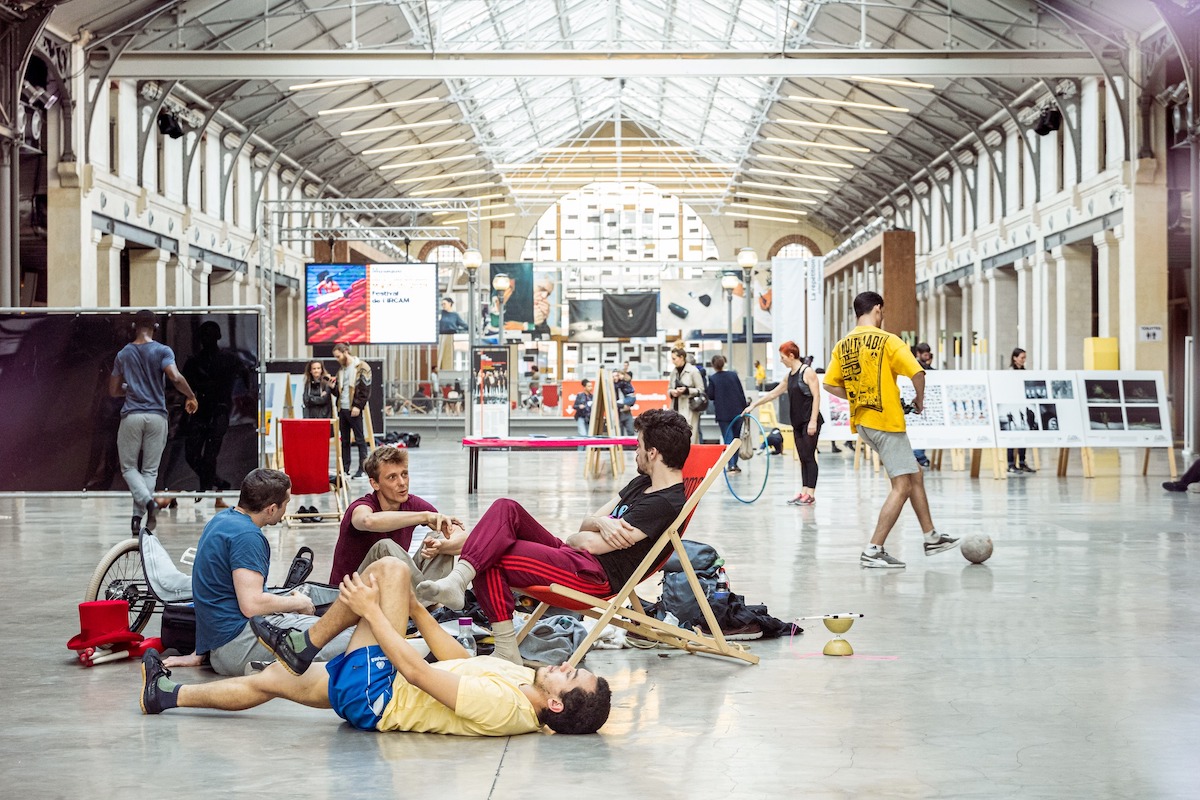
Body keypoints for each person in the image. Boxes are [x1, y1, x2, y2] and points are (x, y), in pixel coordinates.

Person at [140, 557, 612, 736]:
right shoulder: (522, 682)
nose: (567, 663)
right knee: (272, 680)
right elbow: (457, 661)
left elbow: (419, 673)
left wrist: (372, 611)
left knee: (388, 569)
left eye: (570, 674)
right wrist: (415, 609)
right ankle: (166, 696)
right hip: (376, 688)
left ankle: (308, 640)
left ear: (555, 702)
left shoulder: (507, 709)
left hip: (379, 696)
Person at [414, 409, 691, 664]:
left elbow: (590, 543)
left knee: (494, 555)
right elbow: (586, 526)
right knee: (506, 508)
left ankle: (506, 649)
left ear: (653, 453)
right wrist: (598, 523)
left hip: (592, 576)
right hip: (575, 559)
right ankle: (457, 580)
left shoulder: (662, 504)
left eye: (638, 447)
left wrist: (592, 531)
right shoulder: (643, 484)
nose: (636, 453)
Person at [823, 292, 959, 568]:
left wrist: (857, 396)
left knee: (914, 474)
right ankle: (873, 549)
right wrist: (919, 400)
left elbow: (829, 384)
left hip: (863, 422)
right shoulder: (888, 340)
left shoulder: (843, 345)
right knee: (902, 485)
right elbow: (917, 372)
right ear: (877, 309)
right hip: (886, 421)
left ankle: (931, 536)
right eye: (882, 312)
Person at [175, 468, 352, 676]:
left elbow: (210, 594)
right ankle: (272, 667)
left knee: (323, 618)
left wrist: (200, 651)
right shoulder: (247, 537)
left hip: (223, 646)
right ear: (271, 509)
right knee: (351, 635)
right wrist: (298, 603)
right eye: (286, 504)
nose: (286, 509)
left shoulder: (221, 520)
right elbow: (251, 605)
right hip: (239, 645)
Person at [110, 310, 199, 533]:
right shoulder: (162, 351)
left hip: (132, 416)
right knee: (150, 471)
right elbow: (175, 377)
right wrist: (191, 395)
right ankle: (141, 515)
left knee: (129, 467)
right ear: (155, 328)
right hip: (157, 416)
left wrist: (129, 390)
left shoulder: (123, 354)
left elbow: (113, 390)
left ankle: (142, 511)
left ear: (134, 326)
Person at [328, 444, 463, 587]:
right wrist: (424, 516)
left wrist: (442, 546)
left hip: (392, 592)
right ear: (375, 484)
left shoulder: (412, 504)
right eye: (392, 477)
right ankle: (432, 598)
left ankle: (429, 600)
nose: (402, 483)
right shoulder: (362, 506)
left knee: (439, 538)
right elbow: (368, 521)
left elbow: (463, 540)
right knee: (384, 546)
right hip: (351, 595)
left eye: (404, 474)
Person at [746, 342, 823, 504]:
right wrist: (754, 405)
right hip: (797, 422)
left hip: (809, 420)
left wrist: (813, 421)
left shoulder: (807, 372)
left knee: (809, 456)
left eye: (782, 357)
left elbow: (817, 396)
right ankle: (804, 491)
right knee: (803, 456)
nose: (781, 361)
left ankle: (811, 493)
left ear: (791, 356)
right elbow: (774, 393)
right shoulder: (790, 375)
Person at [182, 321, 248, 507]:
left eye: (210, 335)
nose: (207, 339)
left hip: (218, 410)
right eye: (205, 335)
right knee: (192, 453)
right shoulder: (194, 361)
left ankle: (207, 486)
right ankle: (216, 482)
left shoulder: (229, 359)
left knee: (210, 454)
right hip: (200, 411)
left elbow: (245, 374)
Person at [333, 342, 372, 479]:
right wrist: (333, 387)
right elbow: (339, 391)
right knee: (344, 441)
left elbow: (365, 389)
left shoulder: (362, 367)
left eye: (338, 356)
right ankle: (345, 469)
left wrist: (358, 405)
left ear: (345, 352)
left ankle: (363, 469)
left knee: (360, 440)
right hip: (342, 408)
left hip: (354, 408)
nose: (337, 359)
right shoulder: (341, 370)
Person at [705, 355, 747, 473]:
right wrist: (744, 408)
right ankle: (735, 463)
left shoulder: (713, 378)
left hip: (723, 414)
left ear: (713, 365)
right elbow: (741, 392)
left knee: (728, 439)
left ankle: (731, 465)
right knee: (736, 438)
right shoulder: (733, 375)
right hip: (738, 412)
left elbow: (711, 395)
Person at [1007, 348, 1035, 475]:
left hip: (1023, 406)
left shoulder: (1025, 372)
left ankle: (1022, 462)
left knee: (1024, 434)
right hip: (1012, 405)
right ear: (1015, 358)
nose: (1024, 360)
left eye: (1025, 358)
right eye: (1022, 357)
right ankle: (1011, 463)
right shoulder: (1010, 372)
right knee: (1012, 436)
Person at [668, 347, 705, 444]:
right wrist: (672, 392)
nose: (673, 361)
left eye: (674, 358)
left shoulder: (693, 371)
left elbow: (701, 390)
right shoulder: (674, 372)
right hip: (675, 409)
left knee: (690, 438)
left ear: (681, 357)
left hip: (689, 409)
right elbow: (669, 388)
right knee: (676, 438)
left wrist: (687, 390)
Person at [911, 343, 935, 468]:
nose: (926, 357)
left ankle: (920, 455)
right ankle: (919, 456)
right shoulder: (915, 365)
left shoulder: (928, 367)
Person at [614, 370, 636, 436]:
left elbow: (632, 400)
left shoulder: (622, 383)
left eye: (617, 376)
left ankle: (631, 446)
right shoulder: (613, 386)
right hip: (618, 413)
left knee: (631, 431)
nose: (616, 377)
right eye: (614, 376)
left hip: (627, 412)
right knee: (620, 433)